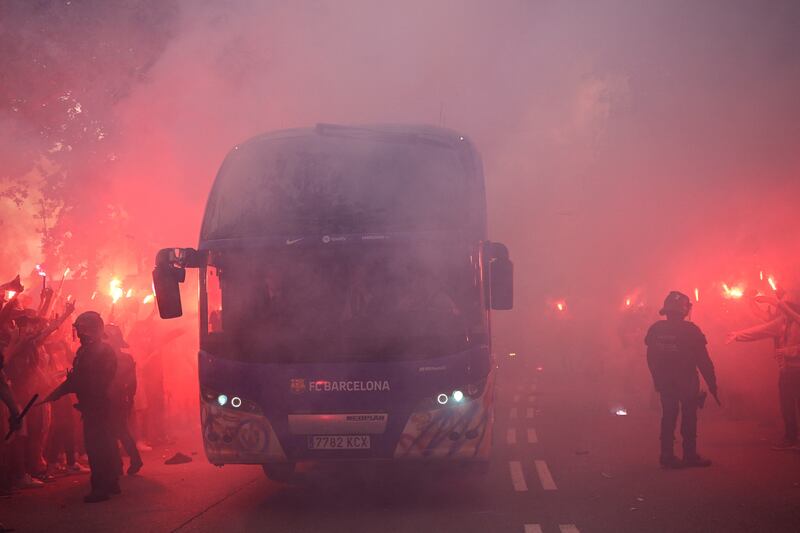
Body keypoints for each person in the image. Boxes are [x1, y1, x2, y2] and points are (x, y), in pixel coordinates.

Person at [40, 311, 121, 502]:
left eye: (85, 330)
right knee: (103, 444)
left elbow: (92, 380)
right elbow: (76, 378)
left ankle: (101, 487)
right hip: (92, 405)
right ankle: (110, 482)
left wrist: (70, 389)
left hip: (99, 405)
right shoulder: (85, 351)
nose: (82, 334)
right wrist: (57, 393)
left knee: (98, 446)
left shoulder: (103, 351)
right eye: (80, 330)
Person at [645, 291, 717, 468]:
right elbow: (703, 360)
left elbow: (651, 357)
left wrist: (657, 379)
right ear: (684, 310)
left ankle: (666, 455)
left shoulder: (655, 329)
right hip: (687, 381)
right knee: (689, 417)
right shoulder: (691, 330)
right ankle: (689, 455)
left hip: (665, 381)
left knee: (668, 415)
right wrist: (712, 383)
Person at [728, 289, 800, 450]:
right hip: (786, 371)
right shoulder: (782, 322)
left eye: (785, 309)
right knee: (787, 405)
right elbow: (762, 330)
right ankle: (790, 438)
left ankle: (793, 439)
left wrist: (788, 351)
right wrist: (738, 335)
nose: (782, 312)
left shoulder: (797, 321)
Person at [105, 324, 143, 475]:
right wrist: (129, 399)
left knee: (115, 431)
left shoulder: (111, 359)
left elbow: (131, 382)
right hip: (120, 399)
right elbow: (133, 383)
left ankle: (122, 463)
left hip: (114, 400)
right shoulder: (125, 358)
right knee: (119, 430)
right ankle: (128, 461)